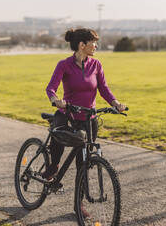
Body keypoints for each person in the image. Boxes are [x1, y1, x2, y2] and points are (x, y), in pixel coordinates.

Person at [44, 28, 126, 216]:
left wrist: (115, 103)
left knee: (83, 163)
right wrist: (56, 100)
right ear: (82, 45)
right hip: (68, 114)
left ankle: (78, 205)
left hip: (89, 119)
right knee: (57, 134)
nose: (96, 45)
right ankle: (53, 166)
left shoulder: (96, 64)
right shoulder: (64, 65)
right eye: (93, 42)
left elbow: (104, 88)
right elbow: (51, 88)